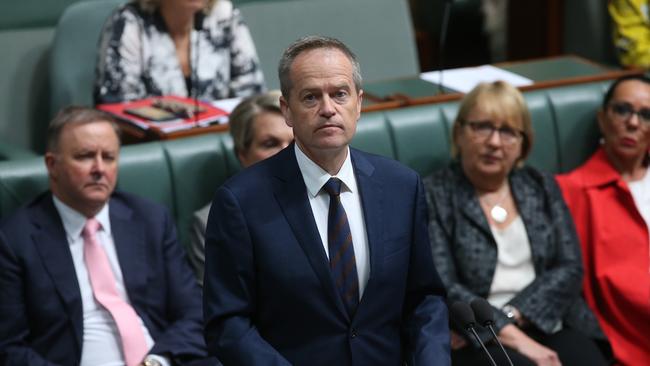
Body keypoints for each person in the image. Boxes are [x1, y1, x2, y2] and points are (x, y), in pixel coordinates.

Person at [202, 36, 450, 365]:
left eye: (339, 94)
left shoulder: (401, 186)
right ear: (286, 110)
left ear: (358, 104)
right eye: (310, 97)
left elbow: (424, 299)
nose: (328, 108)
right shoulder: (240, 201)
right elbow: (228, 324)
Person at [0, 107, 212, 366]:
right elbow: (9, 347)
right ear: (52, 165)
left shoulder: (150, 220)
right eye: (85, 156)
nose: (99, 168)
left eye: (109, 157)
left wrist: (158, 360)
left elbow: (194, 312)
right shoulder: (15, 238)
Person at [424, 81, 608, 366]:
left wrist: (514, 313)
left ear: (524, 144)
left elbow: (570, 267)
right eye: (482, 127)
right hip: (475, 333)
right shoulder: (434, 194)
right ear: (459, 133)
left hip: (548, 316)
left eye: (508, 131)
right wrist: (507, 331)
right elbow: (444, 284)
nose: (494, 142)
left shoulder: (541, 186)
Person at [557, 75, 650, 365]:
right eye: (622, 110)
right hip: (632, 339)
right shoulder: (572, 190)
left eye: (646, 115)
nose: (633, 123)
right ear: (602, 118)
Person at [188, 91, 293, 284]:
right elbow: (216, 307)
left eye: (295, 143)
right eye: (270, 144)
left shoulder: (331, 197)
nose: (287, 153)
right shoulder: (212, 222)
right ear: (242, 154)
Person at [94, 0, 264, 104]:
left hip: (222, 137)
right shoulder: (128, 22)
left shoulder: (224, 15)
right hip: (154, 144)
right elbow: (118, 102)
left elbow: (252, 93)